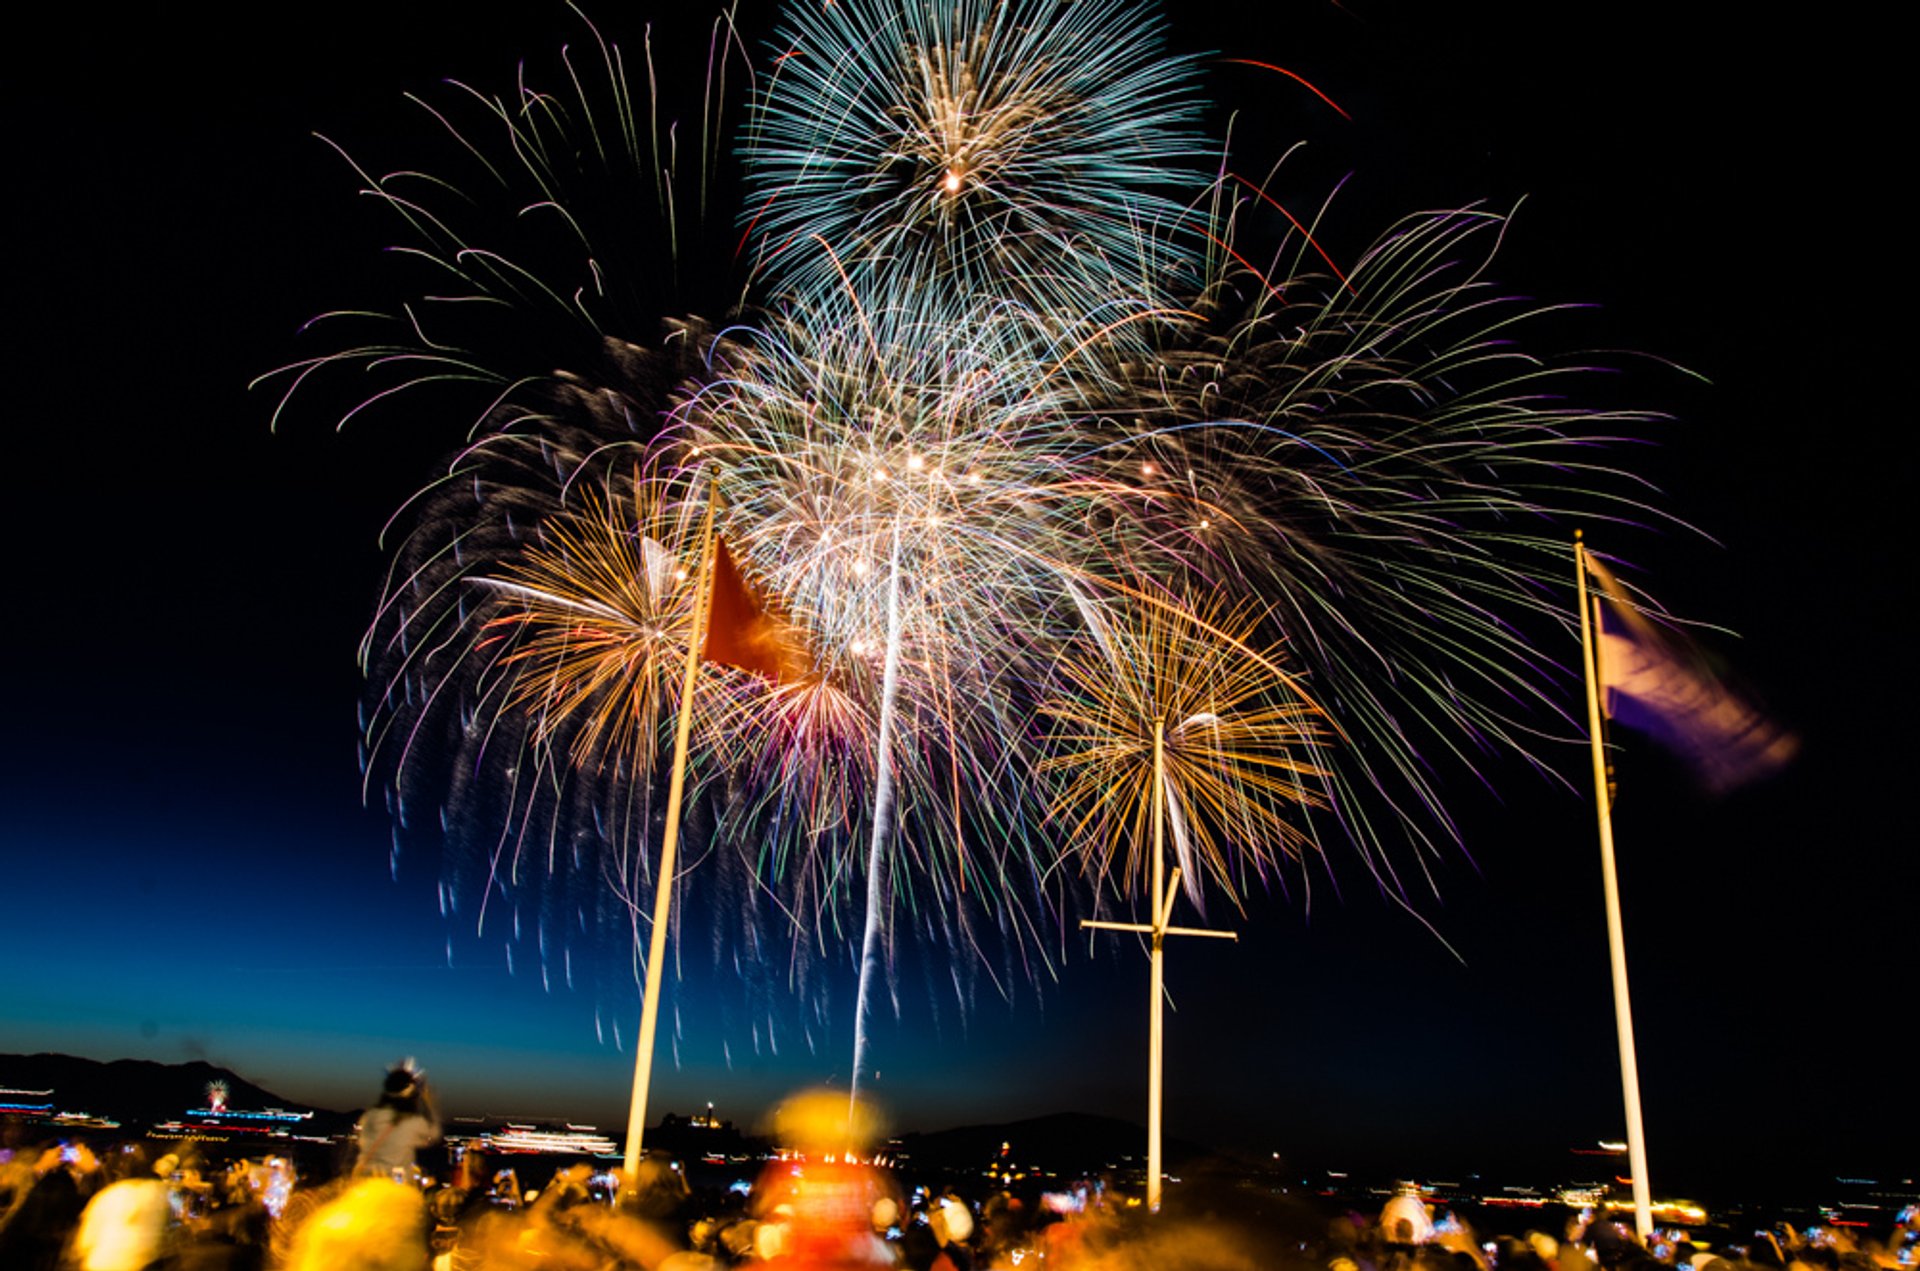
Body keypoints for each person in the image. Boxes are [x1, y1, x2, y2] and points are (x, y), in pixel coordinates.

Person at [354, 1064, 442, 1182]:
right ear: (409, 1091)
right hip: (394, 1184)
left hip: (365, 1180)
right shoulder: (412, 1122)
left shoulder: (370, 1116)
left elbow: (362, 1140)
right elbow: (434, 1135)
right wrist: (429, 1103)